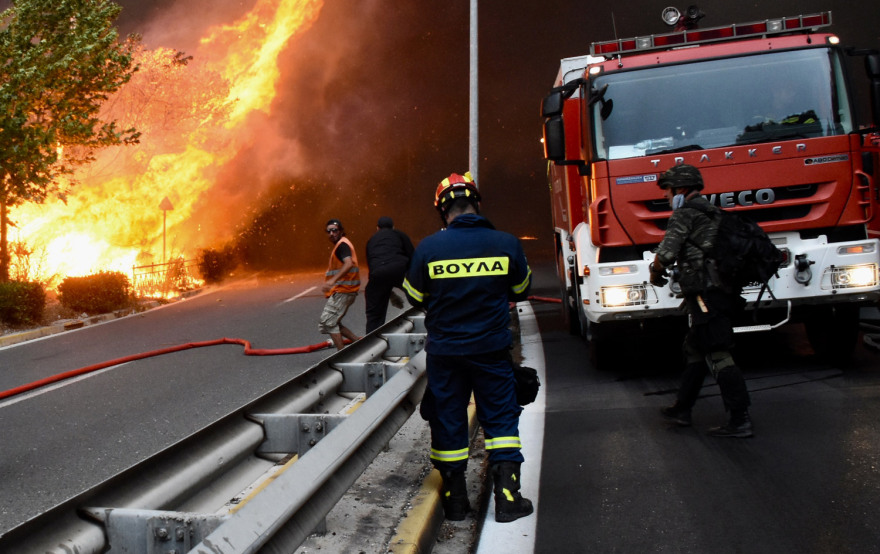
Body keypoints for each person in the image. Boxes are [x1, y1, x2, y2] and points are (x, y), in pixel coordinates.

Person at [403, 171, 534, 523]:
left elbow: (414, 296)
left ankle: (455, 502)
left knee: (448, 419)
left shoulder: (429, 247)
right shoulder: (505, 243)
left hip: (445, 353)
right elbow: (521, 289)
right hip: (491, 350)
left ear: (442, 211)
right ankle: (508, 499)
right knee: (501, 417)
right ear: (476, 203)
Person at [649, 164, 754, 438]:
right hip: (721, 290)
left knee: (718, 351)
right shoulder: (714, 211)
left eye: (668, 192)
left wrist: (654, 272)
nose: (666, 197)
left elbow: (667, 253)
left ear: (681, 190)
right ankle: (682, 408)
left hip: (705, 293)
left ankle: (740, 419)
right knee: (695, 347)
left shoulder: (684, 214)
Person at [364, 216, 414, 334]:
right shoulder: (400, 234)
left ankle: (372, 342)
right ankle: (426, 313)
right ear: (393, 227)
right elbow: (413, 257)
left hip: (377, 274)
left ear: (377, 228)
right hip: (400, 269)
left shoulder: (371, 240)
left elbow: (373, 268)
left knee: (374, 315)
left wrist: (387, 294)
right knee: (421, 297)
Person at [319, 218, 360, 350]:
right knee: (333, 321)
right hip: (345, 290)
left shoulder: (342, 245)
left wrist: (332, 280)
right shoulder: (342, 244)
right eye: (328, 231)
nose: (331, 233)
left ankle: (342, 355)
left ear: (341, 231)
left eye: (334, 230)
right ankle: (360, 345)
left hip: (344, 290)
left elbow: (348, 264)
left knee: (328, 322)